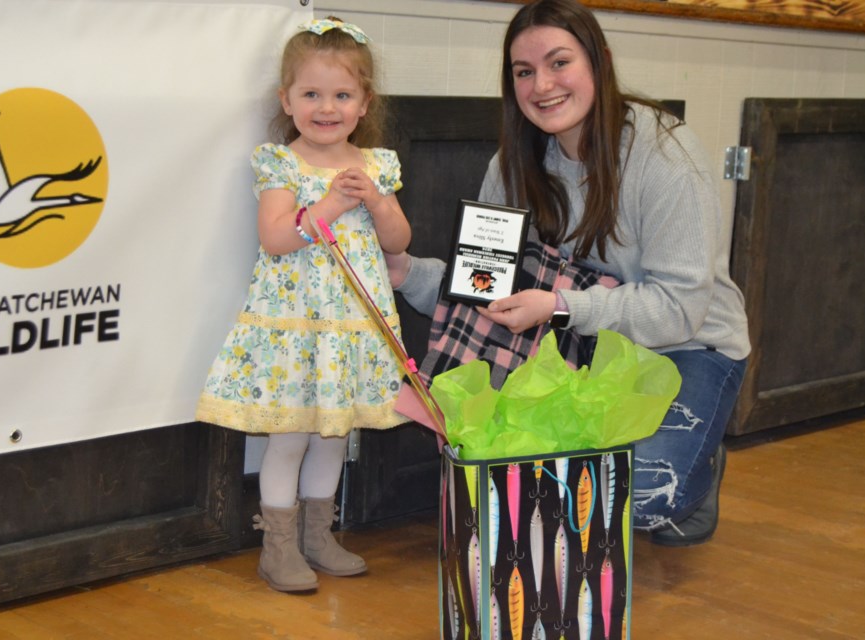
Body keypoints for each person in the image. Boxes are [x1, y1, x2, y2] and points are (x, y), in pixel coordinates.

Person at [386, 0, 749, 546]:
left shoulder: (667, 155)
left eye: (559, 63)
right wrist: (404, 270)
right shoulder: (511, 165)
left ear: (598, 63)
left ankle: (699, 462)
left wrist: (559, 305)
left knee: (644, 493)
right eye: (524, 72)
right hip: (578, 344)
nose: (541, 86)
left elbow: (680, 310)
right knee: (551, 485)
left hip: (688, 346)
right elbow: (483, 285)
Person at [197, 17, 411, 591]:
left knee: (334, 435)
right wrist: (332, 207)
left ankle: (320, 535)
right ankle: (279, 546)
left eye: (342, 95)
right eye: (311, 94)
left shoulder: (375, 164)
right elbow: (276, 237)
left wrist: (378, 202)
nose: (327, 107)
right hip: (295, 326)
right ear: (286, 100)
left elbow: (397, 242)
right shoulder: (281, 164)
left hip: (349, 327)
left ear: (364, 103)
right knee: (290, 435)